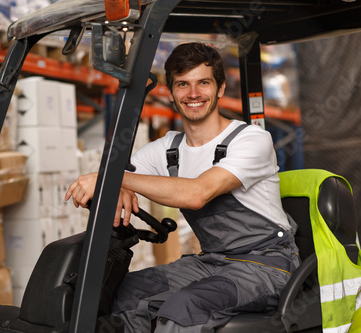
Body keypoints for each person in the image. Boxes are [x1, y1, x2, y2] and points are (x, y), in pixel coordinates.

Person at [64, 42, 300, 332]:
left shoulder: (250, 139)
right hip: (211, 262)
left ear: (220, 88)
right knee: (125, 291)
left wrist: (113, 179)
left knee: (184, 308)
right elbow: (124, 175)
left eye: (203, 83)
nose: (193, 94)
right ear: (171, 92)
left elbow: (197, 194)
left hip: (264, 266)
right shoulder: (167, 149)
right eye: (182, 85)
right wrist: (119, 186)